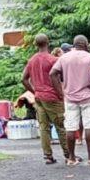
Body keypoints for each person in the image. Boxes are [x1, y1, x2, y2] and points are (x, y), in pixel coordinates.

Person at [49, 35, 90, 166]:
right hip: (88, 97)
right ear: (85, 45)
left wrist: (60, 91)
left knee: (70, 127)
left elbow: (52, 73)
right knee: (89, 125)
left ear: (74, 45)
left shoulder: (64, 57)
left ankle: (72, 158)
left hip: (70, 98)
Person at [22, 34, 69, 164]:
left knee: (44, 127)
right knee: (61, 126)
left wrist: (34, 90)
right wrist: (61, 94)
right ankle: (68, 154)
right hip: (53, 97)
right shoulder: (53, 60)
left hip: (39, 97)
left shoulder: (32, 60)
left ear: (36, 45)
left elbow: (23, 79)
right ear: (48, 43)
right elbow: (60, 79)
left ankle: (48, 156)